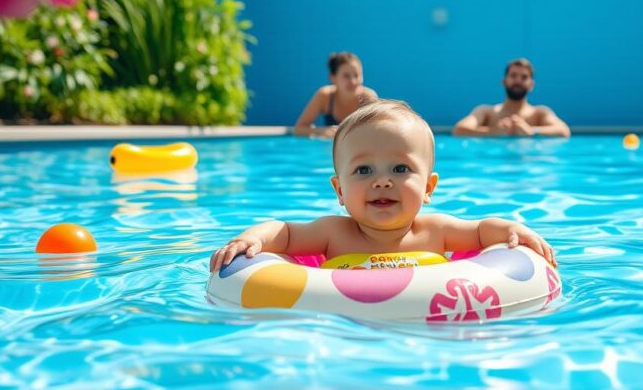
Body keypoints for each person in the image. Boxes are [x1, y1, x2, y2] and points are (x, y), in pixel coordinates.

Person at [210, 99, 555, 271]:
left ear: (429, 187)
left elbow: (481, 230)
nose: (382, 181)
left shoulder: (436, 231)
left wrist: (513, 229)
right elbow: (283, 232)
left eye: (401, 168)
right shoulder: (333, 234)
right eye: (362, 171)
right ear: (340, 191)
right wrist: (251, 238)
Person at [452, 58, 571, 137]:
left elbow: (564, 131)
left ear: (531, 85)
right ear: (504, 81)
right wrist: (493, 132)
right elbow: (459, 130)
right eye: (513, 76)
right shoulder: (487, 112)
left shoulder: (539, 113)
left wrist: (531, 131)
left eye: (524, 77)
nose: (518, 80)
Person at [293, 52, 379, 138]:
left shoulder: (368, 98)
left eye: (356, 75)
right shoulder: (324, 96)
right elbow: (299, 129)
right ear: (332, 77)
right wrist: (323, 131)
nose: (353, 81)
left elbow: (379, 131)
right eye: (346, 76)